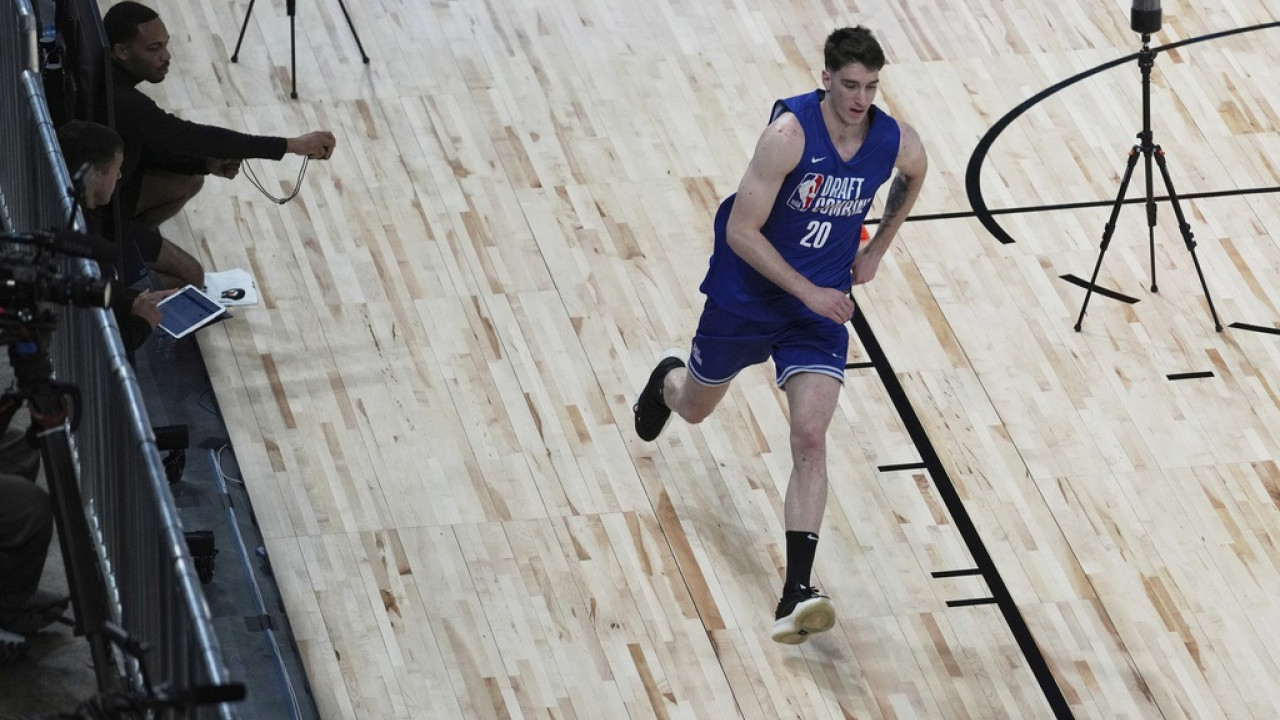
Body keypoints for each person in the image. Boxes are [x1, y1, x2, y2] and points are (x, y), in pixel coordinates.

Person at [632, 26, 928, 645]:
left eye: (872, 87)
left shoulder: (890, 137)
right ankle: (666, 383)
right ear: (826, 79)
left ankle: (797, 591)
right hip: (748, 297)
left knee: (810, 436)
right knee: (695, 407)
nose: (861, 99)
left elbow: (916, 170)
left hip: (815, 314)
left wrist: (878, 250)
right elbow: (741, 231)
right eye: (850, 85)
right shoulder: (788, 136)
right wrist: (808, 290)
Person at [103, 1, 337, 288]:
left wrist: (204, 162)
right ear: (122, 51)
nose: (167, 56)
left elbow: (151, 142)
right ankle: (119, 281)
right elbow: (190, 137)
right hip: (104, 218)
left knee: (190, 180)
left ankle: (135, 251)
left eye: (165, 45)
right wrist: (291, 145)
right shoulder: (124, 101)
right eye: (154, 49)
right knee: (191, 277)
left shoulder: (108, 75)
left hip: (116, 194)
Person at [56, 119, 176, 359]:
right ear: (97, 176)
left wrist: (133, 302)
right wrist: (143, 323)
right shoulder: (79, 245)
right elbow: (101, 346)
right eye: (116, 168)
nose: (120, 175)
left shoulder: (74, 212)